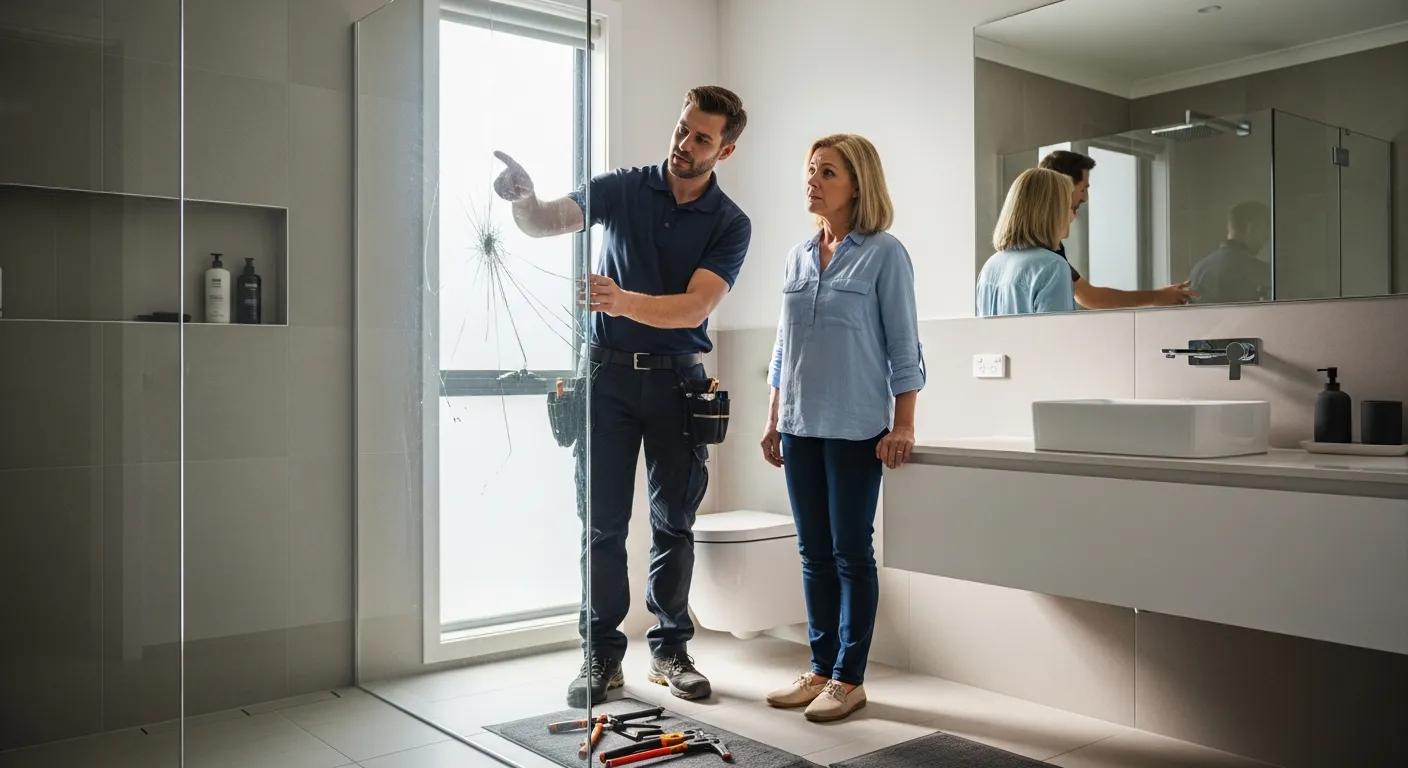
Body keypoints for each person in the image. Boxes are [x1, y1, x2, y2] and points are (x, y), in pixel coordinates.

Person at [493, 86, 751, 707]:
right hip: (606, 381)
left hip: (678, 381)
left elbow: (694, 306)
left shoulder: (730, 223)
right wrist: (525, 199)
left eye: (701, 139)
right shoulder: (623, 188)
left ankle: (669, 650)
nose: (684, 145)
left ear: (727, 149)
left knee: (675, 524)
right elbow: (549, 221)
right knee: (602, 525)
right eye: (682, 128)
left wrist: (620, 300)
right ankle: (601, 657)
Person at [759, 134, 924, 722]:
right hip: (800, 426)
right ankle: (821, 667)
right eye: (810, 170)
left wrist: (903, 423)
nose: (813, 180)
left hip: (857, 427)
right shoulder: (798, 256)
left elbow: (905, 347)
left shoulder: (885, 254)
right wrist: (774, 417)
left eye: (826, 171)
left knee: (851, 552)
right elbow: (783, 349)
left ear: (857, 183)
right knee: (813, 554)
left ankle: (849, 679)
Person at [1038, 150, 1195, 308]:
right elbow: (1090, 297)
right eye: (1084, 188)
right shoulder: (1045, 251)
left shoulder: (1045, 245)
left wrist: (1158, 296)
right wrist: (1157, 297)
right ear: (1065, 186)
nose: (1085, 198)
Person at [976, 168, 1076, 316]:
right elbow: (1056, 336)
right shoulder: (1053, 266)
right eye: (1068, 207)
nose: (1072, 215)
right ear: (1052, 212)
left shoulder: (990, 266)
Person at [1188, 201, 1271, 304]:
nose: (1267, 237)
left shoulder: (1198, 270)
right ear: (1251, 228)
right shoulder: (1259, 272)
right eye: (1265, 230)